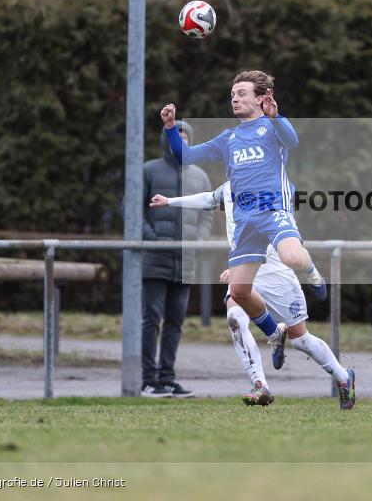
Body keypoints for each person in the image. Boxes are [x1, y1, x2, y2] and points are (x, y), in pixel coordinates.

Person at [159, 70, 327, 368]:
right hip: (246, 220)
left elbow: (293, 141)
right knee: (238, 291)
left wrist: (276, 117)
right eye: (232, 95)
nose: (235, 99)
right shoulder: (228, 138)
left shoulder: (272, 127)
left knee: (291, 257)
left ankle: (312, 272)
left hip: (273, 209)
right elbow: (184, 156)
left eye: (242, 94)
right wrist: (171, 128)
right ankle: (274, 333)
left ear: (262, 99)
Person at [151, 181, 356, 409]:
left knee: (301, 340)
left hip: (277, 272)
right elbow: (209, 199)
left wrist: (246, 263)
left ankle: (344, 377)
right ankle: (261, 385)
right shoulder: (230, 186)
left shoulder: (274, 183)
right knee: (235, 319)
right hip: (246, 267)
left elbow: (278, 233)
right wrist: (170, 201)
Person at [140, 120, 213, 398]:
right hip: (154, 261)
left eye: (185, 139)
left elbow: (207, 211)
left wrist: (200, 240)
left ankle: (168, 379)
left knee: (175, 322)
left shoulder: (199, 176)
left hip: (185, 262)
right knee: (151, 319)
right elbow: (133, 210)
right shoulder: (148, 170)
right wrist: (153, 239)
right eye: (175, 138)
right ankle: (148, 380)